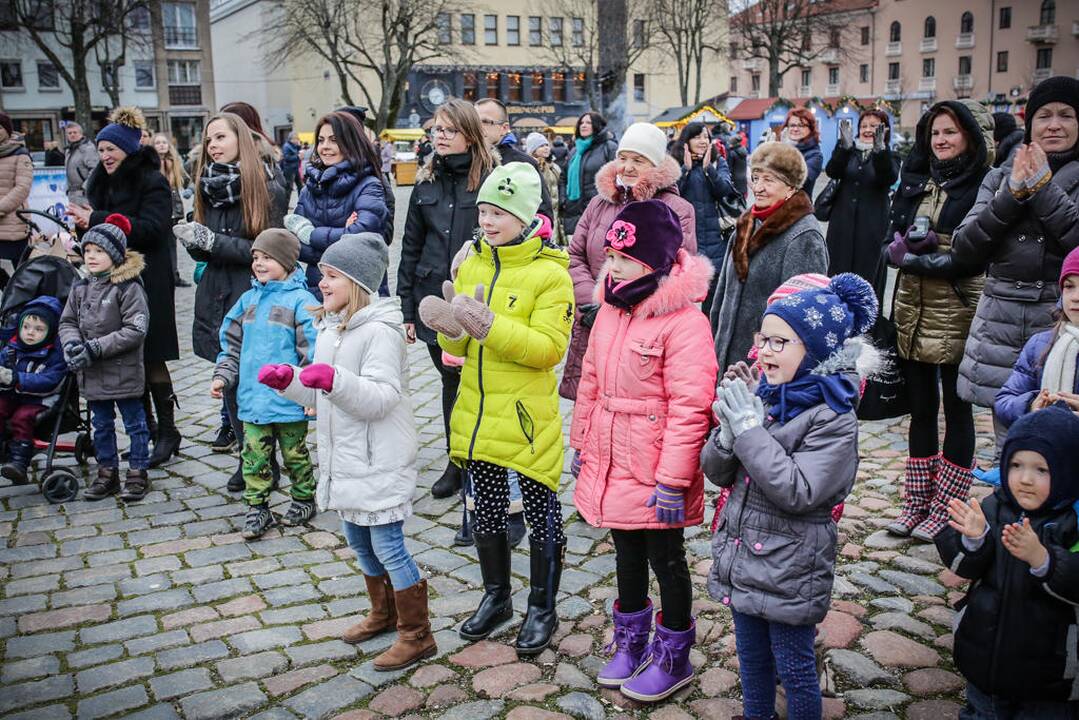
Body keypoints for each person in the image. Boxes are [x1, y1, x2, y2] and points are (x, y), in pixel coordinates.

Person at [703, 274, 879, 720]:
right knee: (752, 662)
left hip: (790, 569)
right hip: (747, 560)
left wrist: (749, 430)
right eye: (763, 340)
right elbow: (718, 472)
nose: (763, 351)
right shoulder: (768, 394)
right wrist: (728, 432)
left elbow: (798, 490)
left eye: (780, 343)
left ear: (815, 350)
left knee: (795, 670)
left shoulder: (833, 418)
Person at [262, 233, 437, 671]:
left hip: (380, 457)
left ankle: (417, 634)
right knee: (358, 541)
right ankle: (383, 613)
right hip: (347, 458)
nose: (322, 282)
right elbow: (324, 391)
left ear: (358, 282)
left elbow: (378, 398)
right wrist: (291, 382)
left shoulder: (380, 332)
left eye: (333, 275)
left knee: (388, 545)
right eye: (323, 273)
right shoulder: (331, 327)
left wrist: (332, 380)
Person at [417, 162, 573, 655]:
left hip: (526, 417)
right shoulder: (473, 263)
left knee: (541, 507)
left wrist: (489, 325)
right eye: (483, 210)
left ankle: (542, 606)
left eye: (499, 212)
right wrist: (452, 328)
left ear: (525, 217)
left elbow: (548, 349)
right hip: (479, 411)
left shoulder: (551, 275)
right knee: (484, 508)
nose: (486, 220)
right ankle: (496, 595)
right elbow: (460, 352)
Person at [569, 200, 717, 702]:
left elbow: (691, 406)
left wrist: (674, 479)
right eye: (609, 256)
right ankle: (631, 642)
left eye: (622, 260)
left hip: (654, 464)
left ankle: (675, 653)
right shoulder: (611, 309)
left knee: (666, 558)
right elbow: (590, 381)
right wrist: (582, 442)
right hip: (612, 456)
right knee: (625, 552)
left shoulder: (685, 322)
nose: (610, 268)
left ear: (653, 262)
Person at [882, 100, 994, 541]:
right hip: (914, 307)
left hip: (957, 309)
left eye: (950, 132)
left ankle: (947, 508)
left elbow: (971, 258)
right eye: (935, 133)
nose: (942, 140)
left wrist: (917, 254)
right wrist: (902, 251)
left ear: (968, 135)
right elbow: (889, 240)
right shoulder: (915, 180)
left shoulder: (981, 184)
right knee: (922, 410)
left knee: (957, 410)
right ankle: (916, 503)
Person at [952, 75, 1079, 452]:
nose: (1054, 124)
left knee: (1064, 445)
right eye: (1044, 116)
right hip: (1000, 324)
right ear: (1030, 124)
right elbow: (965, 249)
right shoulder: (999, 177)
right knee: (1011, 441)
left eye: (1066, 115)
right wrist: (1011, 195)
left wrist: (1042, 190)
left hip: (1060, 320)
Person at [937, 406, 1079, 719]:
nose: (1026, 479)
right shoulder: (995, 506)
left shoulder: (1072, 522)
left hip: (1048, 681)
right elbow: (964, 566)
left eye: (1042, 470)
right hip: (986, 665)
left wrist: (1042, 558)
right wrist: (974, 539)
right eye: (1016, 465)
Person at [176, 111, 287, 491]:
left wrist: (213, 243)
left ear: (241, 139)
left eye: (220, 138)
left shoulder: (266, 186)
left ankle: (263, 460)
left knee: (252, 385)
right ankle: (250, 456)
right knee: (229, 385)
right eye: (209, 141)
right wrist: (194, 242)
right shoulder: (207, 186)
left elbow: (268, 249)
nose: (213, 146)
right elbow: (204, 256)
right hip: (215, 296)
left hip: (252, 297)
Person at [66, 108, 179, 471]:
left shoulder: (152, 179)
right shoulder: (101, 183)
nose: (106, 156)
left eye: (112, 148)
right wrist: (82, 234)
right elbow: (102, 232)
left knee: (152, 353)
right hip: (115, 279)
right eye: (100, 150)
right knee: (129, 355)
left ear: (129, 148)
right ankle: (144, 432)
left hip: (150, 276)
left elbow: (154, 228)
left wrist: (96, 220)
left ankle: (169, 432)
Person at [397, 98, 495, 501]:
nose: (440, 135)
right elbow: (410, 247)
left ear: (469, 134)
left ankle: (485, 459)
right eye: (436, 129)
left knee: (483, 381)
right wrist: (405, 307)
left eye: (449, 129)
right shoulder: (425, 184)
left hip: (479, 300)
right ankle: (457, 461)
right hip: (432, 298)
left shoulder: (492, 178)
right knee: (449, 381)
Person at [560, 122, 696, 401]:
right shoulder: (599, 203)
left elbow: (677, 270)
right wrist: (594, 301)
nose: (628, 167)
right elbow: (575, 255)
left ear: (656, 164)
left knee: (628, 403)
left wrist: (618, 306)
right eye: (623, 158)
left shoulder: (678, 209)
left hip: (645, 331)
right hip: (591, 319)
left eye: (638, 160)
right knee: (590, 401)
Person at [212, 229, 317, 538]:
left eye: (267, 257)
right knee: (253, 454)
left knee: (295, 453)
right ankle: (257, 506)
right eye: (256, 257)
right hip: (253, 400)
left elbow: (310, 349)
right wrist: (222, 375)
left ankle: (303, 496)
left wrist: (310, 392)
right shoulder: (248, 300)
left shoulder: (301, 301)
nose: (258, 263)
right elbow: (230, 344)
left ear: (286, 261)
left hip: (289, 400)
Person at [711, 141, 828, 372]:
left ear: (791, 187)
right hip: (725, 358)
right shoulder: (746, 223)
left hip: (765, 366)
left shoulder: (804, 236)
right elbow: (722, 294)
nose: (758, 187)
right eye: (755, 178)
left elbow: (802, 316)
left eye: (769, 180)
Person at [59, 215, 151, 501]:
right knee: (100, 425)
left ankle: (137, 471)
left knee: (135, 423)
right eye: (88, 251)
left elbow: (135, 330)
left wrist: (95, 348)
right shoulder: (80, 287)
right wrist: (73, 345)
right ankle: (107, 471)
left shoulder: (128, 287)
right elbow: (67, 322)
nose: (92, 256)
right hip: (93, 372)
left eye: (99, 251)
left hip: (122, 371)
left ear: (114, 255)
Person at [285, 112, 388, 296]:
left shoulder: (369, 185)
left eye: (334, 140)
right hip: (317, 288)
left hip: (358, 289)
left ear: (350, 142)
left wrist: (310, 235)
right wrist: (343, 236)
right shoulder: (310, 187)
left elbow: (361, 240)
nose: (325, 147)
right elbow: (293, 245)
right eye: (321, 140)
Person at [995, 246, 1079, 428]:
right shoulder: (1041, 344)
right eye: (1069, 286)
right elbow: (1005, 400)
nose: (1075, 297)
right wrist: (1030, 405)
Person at [823, 110, 901, 286]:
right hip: (841, 224)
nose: (867, 129)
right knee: (837, 274)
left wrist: (880, 151)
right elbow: (832, 171)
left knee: (868, 277)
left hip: (872, 226)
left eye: (874, 126)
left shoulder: (890, 155)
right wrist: (844, 148)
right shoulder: (848, 151)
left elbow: (889, 178)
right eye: (863, 125)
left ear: (885, 130)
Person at [671, 122, 737, 316]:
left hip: (715, 238)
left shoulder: (718, 162)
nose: (702, 141)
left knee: (713, 298)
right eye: (697, 137)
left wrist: (709, 169)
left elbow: (724, 190)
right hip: (684, 239)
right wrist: (685, 169)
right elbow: (671, 195)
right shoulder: (675, 162)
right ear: (686, 141)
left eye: (706, 137)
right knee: (682, 294)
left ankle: (710, 335)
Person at [0, 297, 66, 483]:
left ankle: (19, 463)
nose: (30, 333)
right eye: (26, 327)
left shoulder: (54, 355)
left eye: (38, 330)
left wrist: (16, 378)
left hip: (40, 399)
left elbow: (50, 381)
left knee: (22, 417)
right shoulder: (11, 349)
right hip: (12, 394)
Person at [473, 99, 553, 219]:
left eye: (485, 122)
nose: (477, 127)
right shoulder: (461, 160)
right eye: (473, 121)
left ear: (504, 128)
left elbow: (543, 214)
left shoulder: (523, 163)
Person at [560, 111, 619, 236]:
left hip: (600, 210)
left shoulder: (609, 147)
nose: (583, 125)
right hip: (573, 211)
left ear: (597, 125)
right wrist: (563, 199)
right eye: (581, 123)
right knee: (576, 253)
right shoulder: (574, 151)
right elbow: (563, 177)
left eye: (588, 122)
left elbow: (617, 177)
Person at [152, 133, 193, 289]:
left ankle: (174, 275)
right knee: (157, 245)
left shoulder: (174, 163)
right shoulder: (150, 164)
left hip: (173, 211)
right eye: (158, 143)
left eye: (164, 142)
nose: (162, 145)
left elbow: (189, 181)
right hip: (156, 210)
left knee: (171, 246)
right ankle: (160, 276)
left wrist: (188, 191)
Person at [0, 113, 33, 265]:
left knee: (18, 273)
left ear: (7, 130)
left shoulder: (20, 155)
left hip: (13, 223)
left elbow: (22, 187)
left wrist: (1, 207)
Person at [524, 131, 563, 245]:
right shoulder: (530, 167)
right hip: (538, 212)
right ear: (533, 149)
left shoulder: (553, 166)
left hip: (554, 211)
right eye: (541, 146)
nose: (546, 148)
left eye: (546, 145)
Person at [783, 108, 823, 198]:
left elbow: (802, 179)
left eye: (801, 125)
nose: (796, 129)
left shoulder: (815, 155)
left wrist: (786, 151)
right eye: (792, 125)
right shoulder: (780, 146)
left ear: (810, 128)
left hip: (798, 207)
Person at [64, 122, 98, 205]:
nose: (72, 135)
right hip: (72, 193)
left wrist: (85, 187)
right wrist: (67, 189)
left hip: (84, 194)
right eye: (69, 133)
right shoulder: (68, 150)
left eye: (75, 132)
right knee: (75, 217)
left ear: (81, 134)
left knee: (85, 217)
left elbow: (95, 169)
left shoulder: (88, 148)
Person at [726, 132, 749, 198]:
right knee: (743, 201)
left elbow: (729, 168)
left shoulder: (732, 153)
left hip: (734, 180)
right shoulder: (743, 151)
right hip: (743, 179)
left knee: (735, 202)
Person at [280, 132, 303, 196]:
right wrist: (297, 157)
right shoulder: (286, 146)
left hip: (295, 168)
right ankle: (286, 203)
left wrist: (299, 146)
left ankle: (301, 201)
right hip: (289, 170)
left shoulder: (294, 145)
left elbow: (298, 151)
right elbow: (287, 158)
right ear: (291, 139)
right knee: (289, 187)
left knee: (300, 185)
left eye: (297, 138)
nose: (297, 140)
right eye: (296, 139)